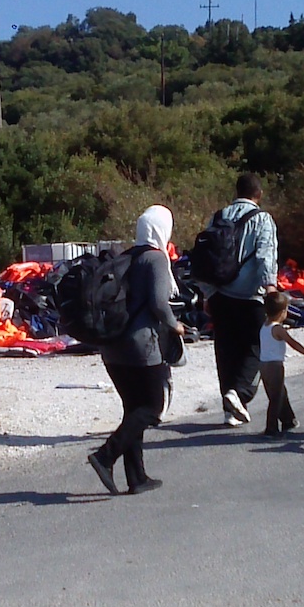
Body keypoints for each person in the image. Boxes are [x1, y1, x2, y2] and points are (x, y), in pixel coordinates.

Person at [87, 205, 186, 496]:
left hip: (112, 347)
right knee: (154, 408)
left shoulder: (125, 257)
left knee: (133, 410)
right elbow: (158, 302)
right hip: (141, 346)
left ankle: (137, 477)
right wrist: (175, 325)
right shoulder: (155, 259)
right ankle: (106, 456)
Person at [204, 173, 279, 427]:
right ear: (259, 194)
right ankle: (240, 394)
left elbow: (205, 256)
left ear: (236, 192)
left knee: (226, 351)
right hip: (250, 296)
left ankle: (231, 410)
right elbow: (265, 255)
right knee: (254, 349)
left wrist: (207, 292)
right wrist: (270, 289)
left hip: (219, 295)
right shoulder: (263, 219)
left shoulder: (217, 217)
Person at [259, 291, 304, 437]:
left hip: (263, 365)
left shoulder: (264, 325)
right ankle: (271, 428)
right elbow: (294, 344)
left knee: (280, 393)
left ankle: (288, 420)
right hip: (275, 366)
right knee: (276, 397)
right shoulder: (278, 328)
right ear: (282, 312)